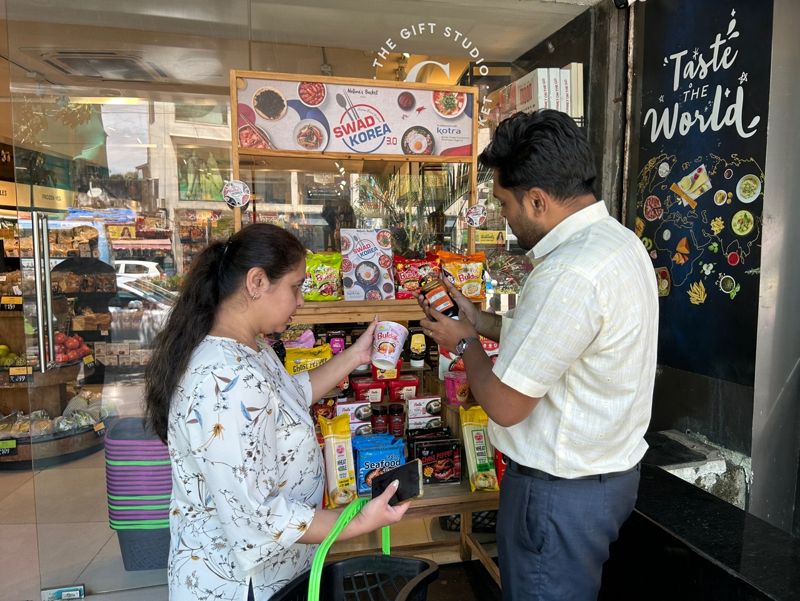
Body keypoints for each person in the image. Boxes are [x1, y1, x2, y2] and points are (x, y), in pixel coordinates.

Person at [416, 110, 658, 600]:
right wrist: (478, 320)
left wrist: (464, 345)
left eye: (504, 203)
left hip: (557, 495)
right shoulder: (618, 243)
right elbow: (560, 343)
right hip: (602, 481)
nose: (504, 217)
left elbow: (505, 403)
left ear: (537, 200)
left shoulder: (569, 271)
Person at [145, 223, 409, 601]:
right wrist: (356, 522)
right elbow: (257, 515)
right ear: (256, 282)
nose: (300, 300)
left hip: (273, 569)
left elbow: (291, 396)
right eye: (295, 286)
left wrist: (356, 355)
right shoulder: (226, 378)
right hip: (240, 582)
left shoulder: (250, 348)